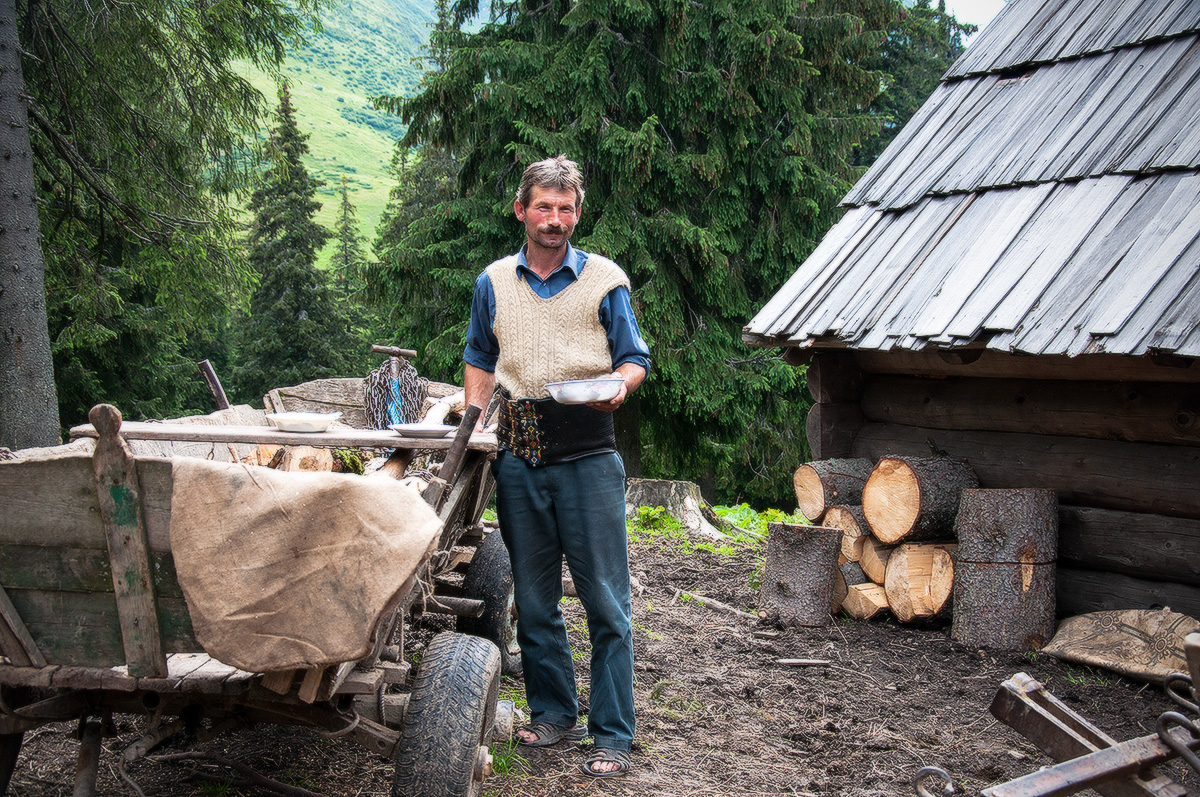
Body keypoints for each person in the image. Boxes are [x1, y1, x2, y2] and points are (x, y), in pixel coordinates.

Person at [463, 155, 650, 778]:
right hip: (519, 459)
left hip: (590, 457)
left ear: (577, 213)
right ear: (522, 210)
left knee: (605, 602)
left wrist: (619, 386)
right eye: (543, 207)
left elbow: (633, 358)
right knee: (536, 603)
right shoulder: (493, 281)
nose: (555, 219)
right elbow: (481, 358)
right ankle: (551, 714)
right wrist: (472, 416)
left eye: (566, 209)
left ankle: (613, 735)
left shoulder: (605, 280)